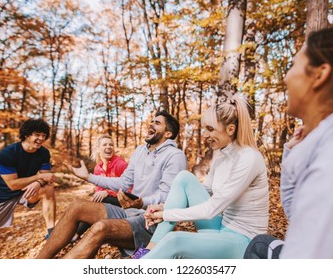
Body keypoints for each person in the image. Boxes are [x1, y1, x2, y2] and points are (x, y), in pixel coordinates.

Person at [245, 22, 333, 259]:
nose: (286, 77)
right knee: (261, 244)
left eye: (293, 65)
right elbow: (297, 215)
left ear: (320, 75)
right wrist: (292, 154)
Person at [36, 110, 187, 259]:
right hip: (128, 213)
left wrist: (141, 203)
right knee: (77, 205)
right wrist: (88, 177)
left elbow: (168, 196)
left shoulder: (175, 156)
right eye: (152, 121)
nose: (151, 124)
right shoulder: (140, 150)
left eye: (157, 123)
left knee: (101, 227)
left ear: (168, 134)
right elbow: (123, 182)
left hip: (150, 222)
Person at [134, 95, 269, 259]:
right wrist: (164, 206)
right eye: (205, 129)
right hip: (221, 228)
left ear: (231, 129)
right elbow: (205, 191)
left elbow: (211, 209)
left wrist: (165, 214)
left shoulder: (248, 158)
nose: (205, 134)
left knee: (175, 239)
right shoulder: (222, 158)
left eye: (210, 129)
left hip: (243, 241)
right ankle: (149, 250)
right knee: (184, 178)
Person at [0, 118, 57, 259]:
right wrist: (37, 178)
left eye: (44, 136)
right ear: (27, 135)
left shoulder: (44, 153)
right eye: (37, 134)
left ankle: (52, 232)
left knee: (48, 189)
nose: (41, 138)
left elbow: (46, 178)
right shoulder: (8, 153)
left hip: (25, 191)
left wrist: (39, 183)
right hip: (0, 195)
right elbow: (13, 184)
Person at [72, 134, 129, 241]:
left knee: (101, 200)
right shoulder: (97, 168)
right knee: (93, 203)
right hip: (109, 202)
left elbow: (129, 189)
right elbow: (98, 190)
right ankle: (73, 232)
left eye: (111, 145)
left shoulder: (121, 165)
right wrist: (101, 194)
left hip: (125, 202)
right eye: (105, 145)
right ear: (98, 149)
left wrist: (108, 192)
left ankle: (76, 233)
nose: (109, 147)